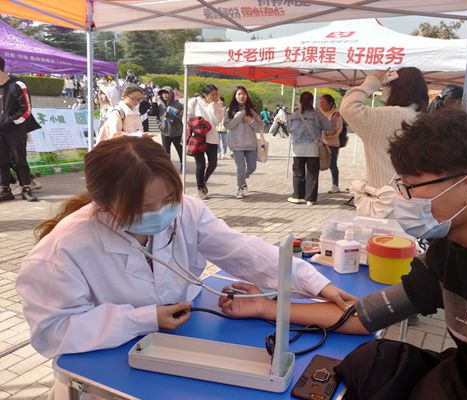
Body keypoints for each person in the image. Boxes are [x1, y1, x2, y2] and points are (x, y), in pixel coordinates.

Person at [219, 110, 467, 400]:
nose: (402, 198)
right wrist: (267, 307)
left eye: (411, 187)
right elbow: (366, 316)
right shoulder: (450, 243)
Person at [16, 136, 353, 397]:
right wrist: (143, 318)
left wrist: (314, 283)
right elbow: (53, 332)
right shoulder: (62, 251)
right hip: (107, 372)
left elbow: (242, 251)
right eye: (143, 208)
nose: (161, 213)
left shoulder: (187, 212)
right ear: (103, 204)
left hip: (178, 346)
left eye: (168, 199)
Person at [340, 67, 429, 189]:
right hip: (420, 193)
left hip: (383, 193)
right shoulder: (429, 119)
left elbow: (348, 107)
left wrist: (372, 81)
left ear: (393, 88)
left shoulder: (382, 116)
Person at [0, 56, 38, 202]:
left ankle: (26, 189)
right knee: (2, 160)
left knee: (19, 159)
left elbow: (26, 109)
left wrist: (10, 121)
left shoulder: (17, 84)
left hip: (15, 129)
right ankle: (5, 189)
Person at [287, 91, 332, 206]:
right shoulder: (317, 115)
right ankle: (310, 199)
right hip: (312, 148)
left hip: (297, 148)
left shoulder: (293, 115)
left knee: (298, 172)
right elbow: (330, 127)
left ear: (300, 101)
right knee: (312, 173)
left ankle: (297, 196)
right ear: (312, 101)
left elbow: (288, 129)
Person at [223, 86, 263, 199]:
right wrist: (239, 116)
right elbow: (228, 125)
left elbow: (259, 126)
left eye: (244, 94)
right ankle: (240, 188)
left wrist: (249, 120)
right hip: (236, 144)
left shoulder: (252, 110)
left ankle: (242, 179)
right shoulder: (230, 110)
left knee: (252, 167)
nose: (242, 96)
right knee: (240, 167)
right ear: (235, 96)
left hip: (251, 143)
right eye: (239, 94)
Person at [189, 84, 222, 200]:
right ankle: (201, 188)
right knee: (201, 165)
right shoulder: (194, 102)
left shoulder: (217, 105)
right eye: (213, 95)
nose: (216, 97)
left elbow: (216, 122)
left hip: (212, 138)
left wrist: (213, 106)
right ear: (205, 94)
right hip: (198, 138)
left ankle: (203, 181)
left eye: (217, 94)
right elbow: (186, 117)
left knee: (213, 163)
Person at [149, 86, 184, 169]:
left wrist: (170, 115)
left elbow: (181, 119)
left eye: (166, 93)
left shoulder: (179, 105)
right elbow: (153, 113)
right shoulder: (159, 105)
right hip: (164, 132)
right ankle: (167, 167)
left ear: (171, 94)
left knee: (180, 150)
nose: (164, 95)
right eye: (163, 93)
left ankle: (182, 164)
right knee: (166, 152)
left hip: (177, 132)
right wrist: (154, 103)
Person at [319, 94, 343, 194]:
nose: (321, 104)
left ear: (330, 103)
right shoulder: (319, 114)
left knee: (332, 165)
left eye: (323, 102)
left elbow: (337, 130)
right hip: (320, 144)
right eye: (320, 102)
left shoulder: (335, 114)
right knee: (315, 164)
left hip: (332, 144)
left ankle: (335, 185)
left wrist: (324, 133)